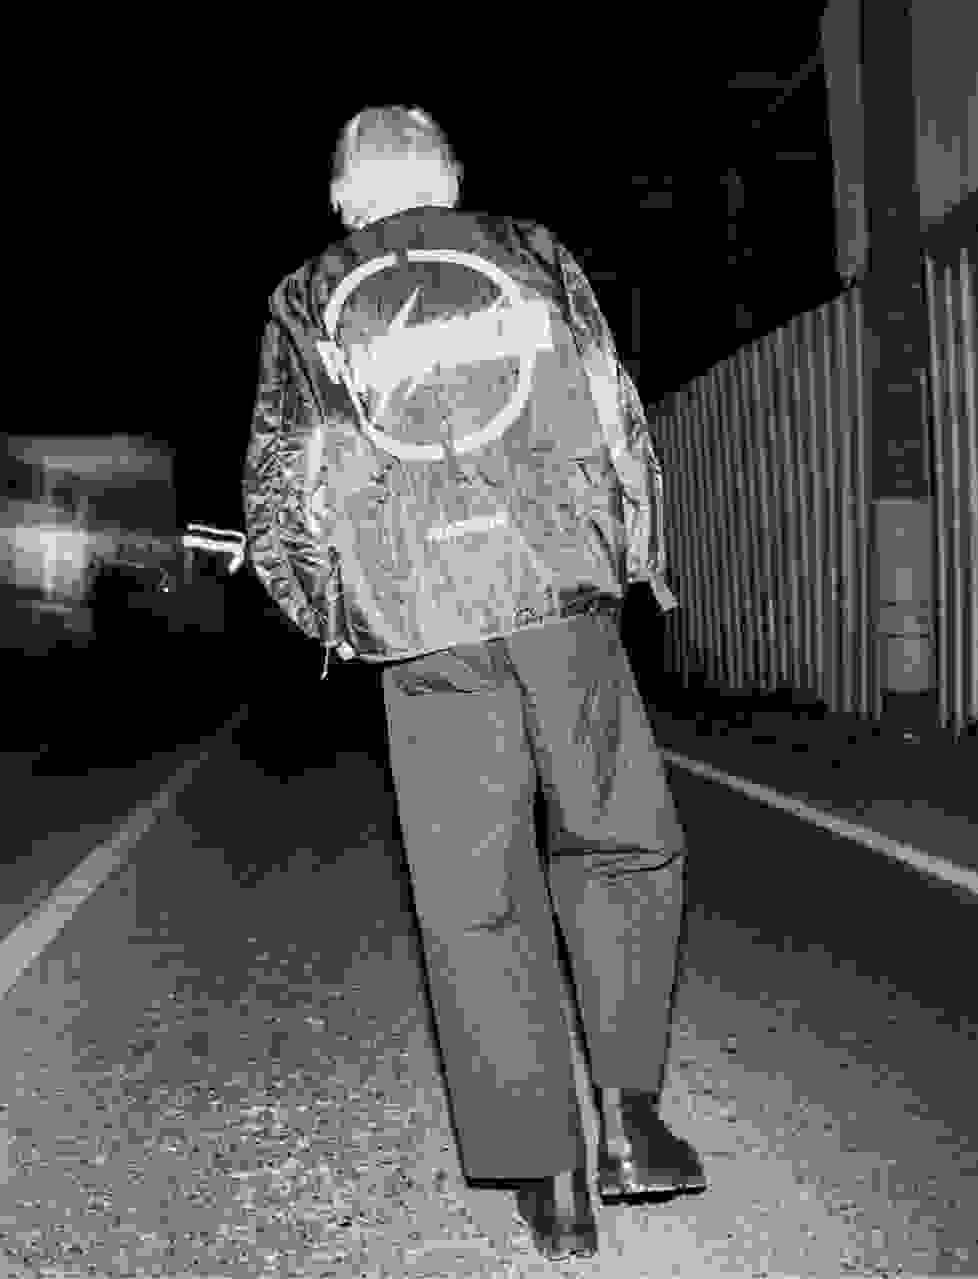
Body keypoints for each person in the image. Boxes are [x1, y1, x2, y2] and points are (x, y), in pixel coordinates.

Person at [243, 104, 706, 1263]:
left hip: (424, 627)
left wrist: (331, 614)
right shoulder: (529, 253)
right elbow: (611, 409)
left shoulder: (308, 300)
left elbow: (284, 483)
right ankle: (630, 1117)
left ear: (343, 198)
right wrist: (635, 558)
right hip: (557, 595)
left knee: (471, 895)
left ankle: (549, 1177)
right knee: (621, 843)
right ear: (447, 178)